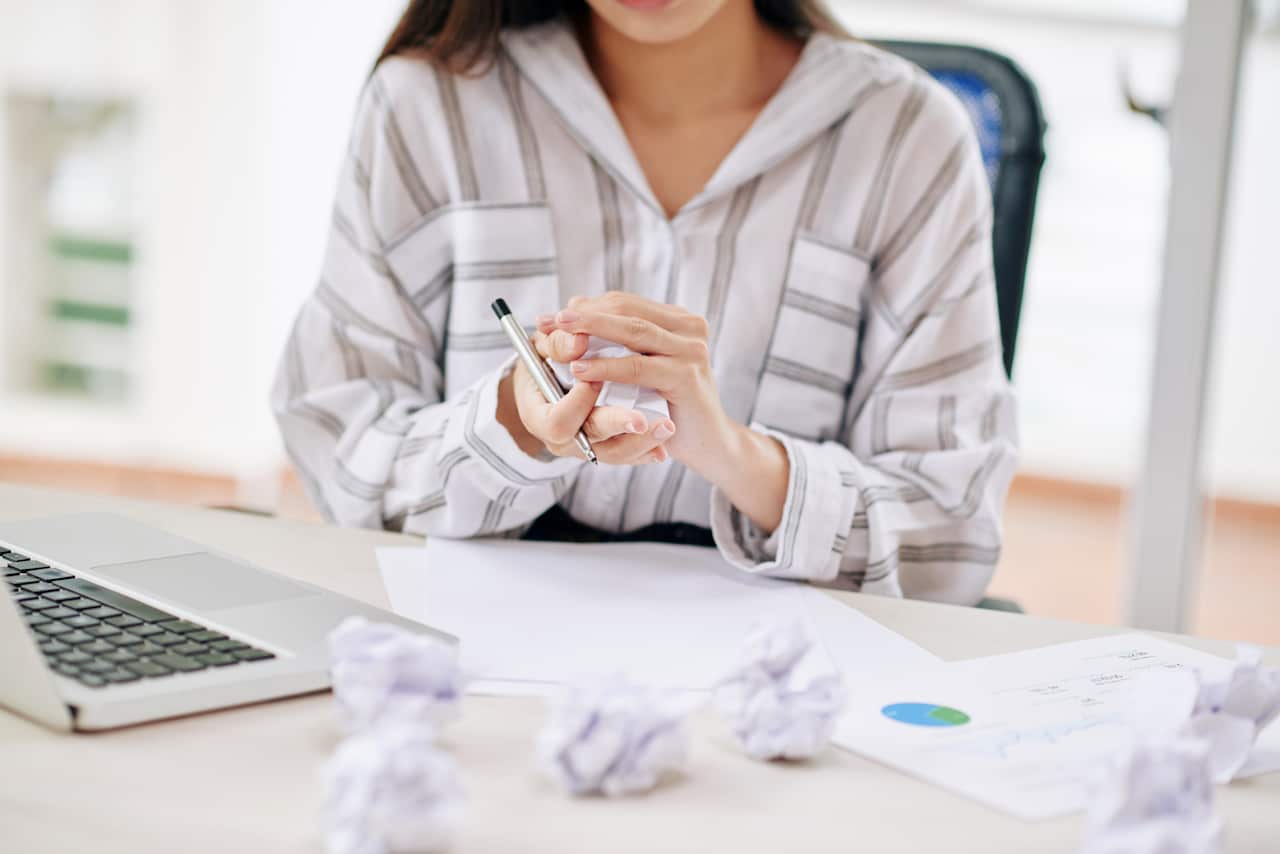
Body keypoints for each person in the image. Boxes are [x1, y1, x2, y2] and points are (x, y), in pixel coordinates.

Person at [272, 0, 1018, 604]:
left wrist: (734, 455)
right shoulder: (426, 105)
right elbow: (344, 457)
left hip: (769, 677)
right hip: (470, 662)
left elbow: (948, 540)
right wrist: (514, 423)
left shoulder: (908, 137)